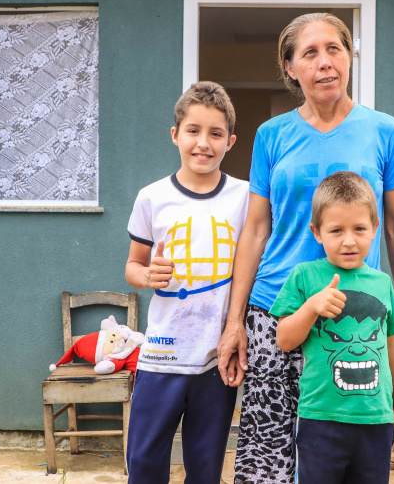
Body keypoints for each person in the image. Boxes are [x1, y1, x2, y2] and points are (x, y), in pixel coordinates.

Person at [217, 12, 394, 484]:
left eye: (335, 49)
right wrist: (234, 321)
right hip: (274, 314)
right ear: (290, 67)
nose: (325, 62)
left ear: (350, 57)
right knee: (266, 456)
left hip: (349, 316)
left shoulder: (386, 132)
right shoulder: (272, 135)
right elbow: (255, 230)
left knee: (341, 460)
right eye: (310, 53)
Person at [124, 81, 249, 484]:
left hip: (216, 357)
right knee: (143, 462)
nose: (203, 143)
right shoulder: (152, 197)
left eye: (215, 134)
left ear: (230, 141)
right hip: (161, 355)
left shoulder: (246, 198)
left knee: (205, 467)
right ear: (175, 134)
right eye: (193, 131)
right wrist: (146, 275)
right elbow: (133, 265)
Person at [270, 171, 394, 484]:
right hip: (320, 419)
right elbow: (285, 340)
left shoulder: (382, 283)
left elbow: (392, 344)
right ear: (317, 232)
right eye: (336, 230)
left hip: (376, 418)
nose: (349, 240)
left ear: (374, 228)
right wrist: (311, 307)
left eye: (359, 228)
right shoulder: (304, 276)